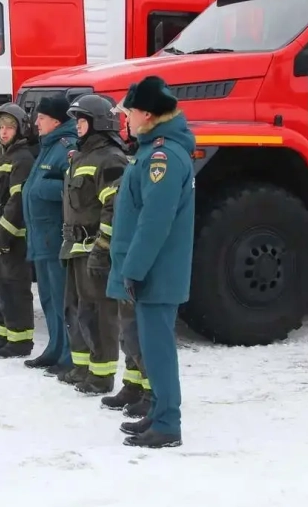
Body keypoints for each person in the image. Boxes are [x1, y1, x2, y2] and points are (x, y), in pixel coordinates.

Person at [108, 75, 195, 449]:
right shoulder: (153, 151)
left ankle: (167, 423)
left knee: (158, 351)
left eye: (128, 112)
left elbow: (155, 221)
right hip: (152, 271)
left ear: (146, 114)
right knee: (151, 347)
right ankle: (159, 412)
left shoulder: (163, 157)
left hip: (156, 273)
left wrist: (134, 269)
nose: (125, 119)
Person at [59, 94, 128, 394]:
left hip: (94, 250)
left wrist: (103, 247)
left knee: (99, 314)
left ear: (98, 123)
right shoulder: (81, 156)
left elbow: (114, 208)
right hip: (74, 248)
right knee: (76, 310)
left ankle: (101, 375)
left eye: (82, 120)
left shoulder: (110, 158)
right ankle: (82, 367)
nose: (77, 126)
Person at [21, 95, 78, 374]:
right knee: (47, 298)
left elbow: (74, 188)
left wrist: (41, 190)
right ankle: (55, 348)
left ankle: (69, 355)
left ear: (56, 121)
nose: (36, 123)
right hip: (41, 236)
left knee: (62, 300)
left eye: (41, 118)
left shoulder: (67, 147)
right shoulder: (48, 146)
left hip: (55, 237)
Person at [0, 103, 38, 358]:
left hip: (11, 238)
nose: (4, 132)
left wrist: (3, 233)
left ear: (21, 129)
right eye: (1, 127)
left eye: (10, 128)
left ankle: (20, 340)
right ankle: (3, 333)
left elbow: (17, 201)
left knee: (13, 288)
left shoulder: (22, 159)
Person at [102, 123, 151, 417]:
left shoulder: (151, 161)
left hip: (134, 258)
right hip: (122, 256)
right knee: (128, 332)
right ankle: (133, 385)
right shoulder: (135, 158)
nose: (126, 122)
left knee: (139, 333)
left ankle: (151, 391)